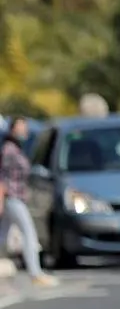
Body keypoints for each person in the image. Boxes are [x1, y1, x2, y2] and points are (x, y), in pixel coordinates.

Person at [0, 116, 57, 289]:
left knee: (3, 235)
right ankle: (35, 273)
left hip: (16, 197)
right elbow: (2, 176)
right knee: (29, 233)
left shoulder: (16, 148)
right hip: (12, 198)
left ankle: (35, 273)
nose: (24, 130)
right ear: (12, 129)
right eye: (21, 127)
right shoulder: (8, 150)